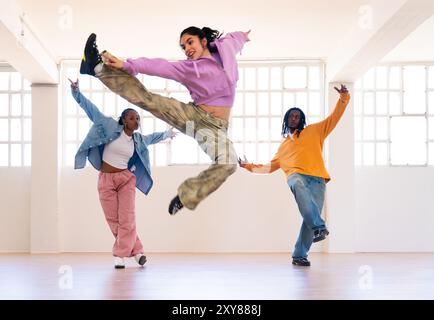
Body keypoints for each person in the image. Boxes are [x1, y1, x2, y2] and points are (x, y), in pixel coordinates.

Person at [79, 27, 250, 215]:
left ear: (203, 41)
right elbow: (159, 66)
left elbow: (236, 38)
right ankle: (96, 67)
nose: (187, 49)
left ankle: (186, 196)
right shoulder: (188, 69)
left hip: (215, 129)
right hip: (193, 117)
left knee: (228, 163)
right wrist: (129, 65)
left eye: (190, 42)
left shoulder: (225, 48)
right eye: (183, 47)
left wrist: (245, 36)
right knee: (149, 100)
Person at [69, 78, 177, 269]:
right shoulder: (108, 125)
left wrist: (167, 134)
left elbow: (152, 138)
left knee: (127, 217)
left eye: (137, 118)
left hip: (126, 179)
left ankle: (119, 255)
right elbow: (91, 110)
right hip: (106, 180)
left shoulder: (137, 139)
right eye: (132, 117)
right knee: (114, 220)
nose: (136, 121)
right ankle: (137, 252)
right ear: (123, 119)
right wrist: (76, 92)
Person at [239, 85, 350, 267]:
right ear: (286, 120)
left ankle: (299, 255)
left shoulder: (315, 131)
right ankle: (320, 227)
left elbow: (334, 118)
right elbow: (268, 167)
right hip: (296, 176)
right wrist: (248, 166)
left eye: (298, 116)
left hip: (318, 179)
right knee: (298, 185)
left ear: (302, 120)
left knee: (309, 218)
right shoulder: (283, 148)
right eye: (291, 116)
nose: (294, 118)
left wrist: (344, 97)